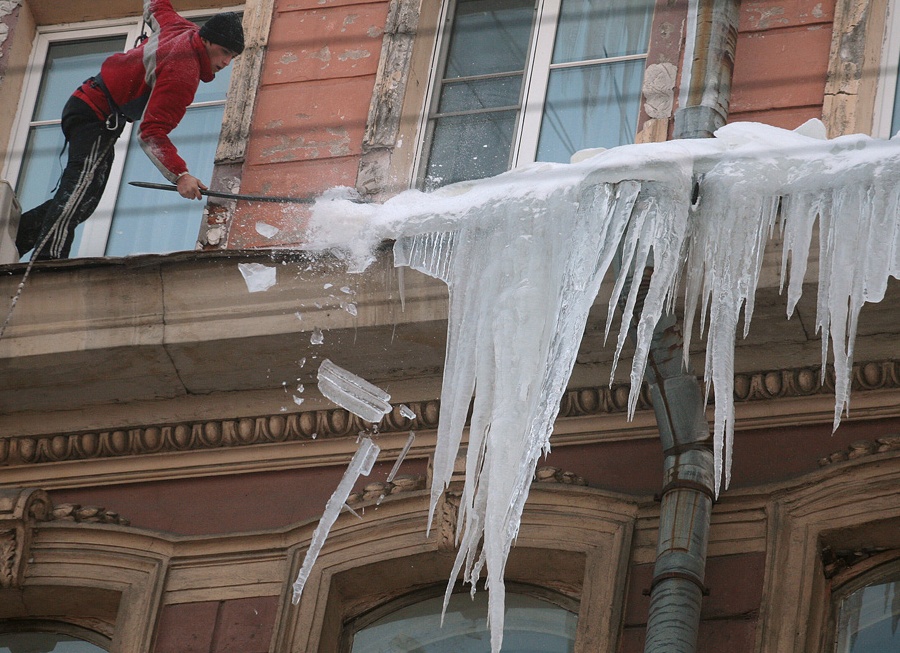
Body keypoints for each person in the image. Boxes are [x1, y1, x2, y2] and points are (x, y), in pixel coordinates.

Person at [15, 0, 244, 261]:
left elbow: (156, 6)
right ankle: (48, 261)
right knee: (79, 191)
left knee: (85, 200)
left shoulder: (181, 28)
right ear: (206, 40)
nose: (226, 62)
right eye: (224, 51)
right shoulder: (183, 71)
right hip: (95, 114)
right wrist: (180, 175)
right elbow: (151, 133)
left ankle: (16, 236)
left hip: (91, 108)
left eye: (233, 57)